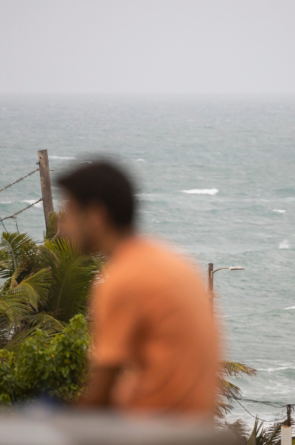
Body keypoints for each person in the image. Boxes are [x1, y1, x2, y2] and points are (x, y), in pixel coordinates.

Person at [56, 160, 220, 419]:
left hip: (155, 430)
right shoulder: (169, 260)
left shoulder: (123, 278)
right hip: (192, 425)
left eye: (70, 213)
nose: (62, 227)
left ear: (96, 216)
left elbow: (100, 397)